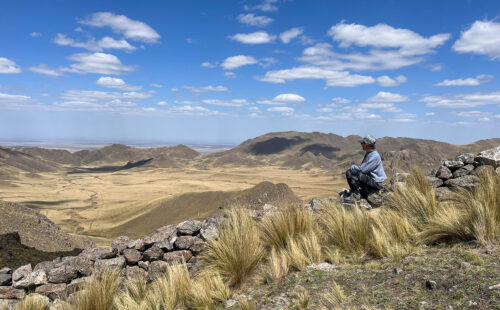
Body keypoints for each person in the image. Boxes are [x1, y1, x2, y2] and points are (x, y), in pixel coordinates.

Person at [341, 135, 386, 202]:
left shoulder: (374, 156)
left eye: (363, 143)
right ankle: (356, 193)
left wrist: (352, 167)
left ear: (367, 144)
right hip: (372, 181)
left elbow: (363, 170)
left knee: (351, 172)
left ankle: (355, 196)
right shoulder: (370, 154)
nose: (361, 144)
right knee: (352, 172)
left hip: (376, 184)